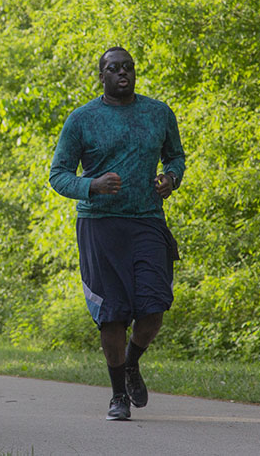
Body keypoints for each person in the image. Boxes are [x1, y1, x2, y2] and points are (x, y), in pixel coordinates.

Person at [49, 47, 185, 421]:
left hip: (147, 221)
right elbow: (58, 174)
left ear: (134, 73)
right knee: (111, 316)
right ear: (101, 76)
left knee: (154, 308)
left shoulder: (158, 113)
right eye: (113, 68)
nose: (122, 73)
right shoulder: (82, 119)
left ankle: (131, 363)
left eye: (128, 67)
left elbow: (176, 156)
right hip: (99, 226)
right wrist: (91, 185)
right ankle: (117, 396)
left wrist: (171, 178)